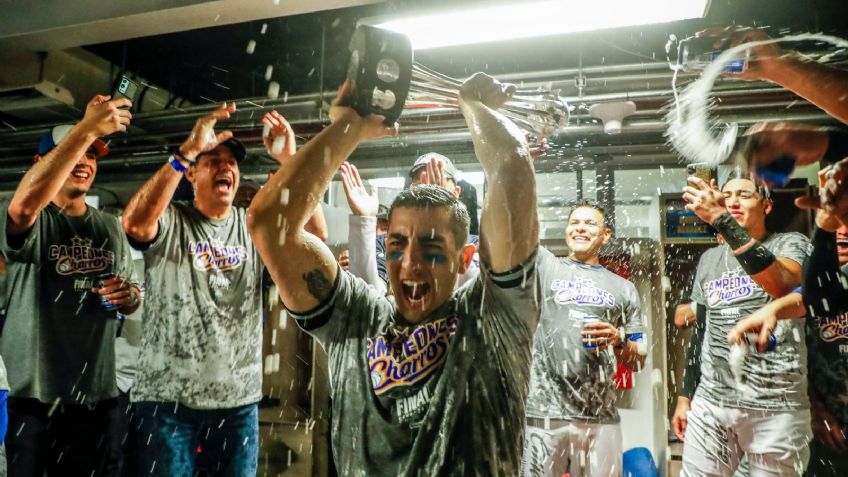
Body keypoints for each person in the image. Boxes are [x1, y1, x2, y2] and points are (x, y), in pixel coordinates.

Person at [247, 73, 541, 475]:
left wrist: (473, 104)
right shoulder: (357, 317)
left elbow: (514, 165)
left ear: (464, 257)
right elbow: (268, 225)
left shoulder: (493, 317)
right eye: (398, 244)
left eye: (432, 247)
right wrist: (350, 124)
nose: (410, 263)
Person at [122, 106, 323, 475]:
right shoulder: (172, 220)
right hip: (167, 403)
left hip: (237, 403)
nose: (225, 167)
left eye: (231, 162)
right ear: (193, 173)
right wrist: (186, 151)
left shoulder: (252, 226)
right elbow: (134, 223)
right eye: (212, 160)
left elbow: (315, 239)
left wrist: (291, 160)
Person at [0, 95, 142, 476]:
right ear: (39, 163)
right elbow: (23, 209)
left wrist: (130, 296)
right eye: (72, 150)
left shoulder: (109, 226)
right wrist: (87, 128)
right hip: (34, 400)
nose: (84, 161)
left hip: (98, 399)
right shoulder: (28, 216)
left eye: (92, 154)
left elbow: (132, 295)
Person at [678, 172, 812, 477]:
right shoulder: (710, 259)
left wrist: (722, 219)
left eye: (745, 194)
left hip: (775, 404)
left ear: (766, 206)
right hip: (712, 400)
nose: (734, 201)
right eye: (727, 195)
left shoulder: (791, 244)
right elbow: (702, 331)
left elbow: (782, 284)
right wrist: (686, 395)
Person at [729, 163, 848, 476]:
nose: (843, 231)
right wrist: (773, 309)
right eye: (838, 222)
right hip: (825, 418)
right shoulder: (828, 276)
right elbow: (810, 299)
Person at [522, 200, 646, 477]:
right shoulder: (545, 266)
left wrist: (618, 339)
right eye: (574, 222)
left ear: (606, 235)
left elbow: (638, 358)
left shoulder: (624, 288)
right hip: (543, 416)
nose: (580, 228)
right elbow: (517, 219)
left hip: (600, 420)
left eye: (590, 223)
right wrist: (519, 163)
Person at [341, 153, 480, 296]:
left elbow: (477, 298)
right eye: (419, 186)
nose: (427, 195)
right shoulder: (388, 244)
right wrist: (364, 221)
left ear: (456, 193)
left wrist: (441, 217)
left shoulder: (476, 245)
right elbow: (370, 297)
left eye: (436, 183)